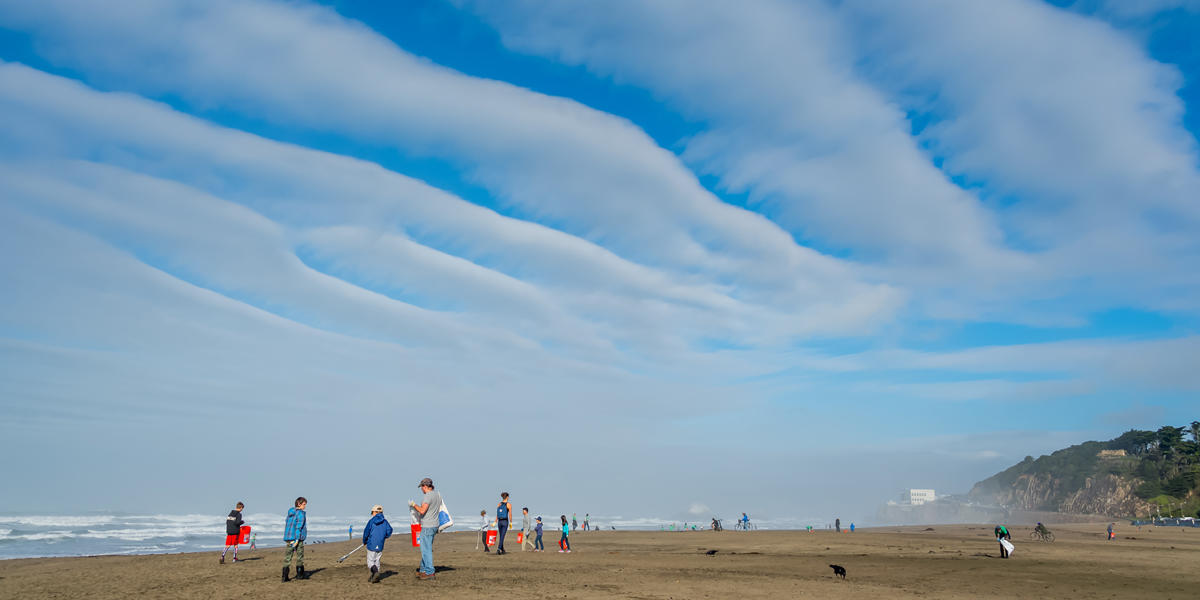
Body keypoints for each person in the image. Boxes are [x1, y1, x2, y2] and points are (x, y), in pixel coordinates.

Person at [409, 477, 443, 579]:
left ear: (425, 486)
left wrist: (414, 505)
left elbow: (422, 511)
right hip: (434, 525)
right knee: (426, 548)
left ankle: (429, 572)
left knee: (426, 550)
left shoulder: (427, 496)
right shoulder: (437, 495)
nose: (421, 489)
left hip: (427, 526)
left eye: (421, 487)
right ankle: (423, 570)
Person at [361, 504, 392, 583]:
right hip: (380, 543)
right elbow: (389, 530)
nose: (372, 514)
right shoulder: (385, 522)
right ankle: (375, 576)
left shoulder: (371, 521)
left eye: (372, 512)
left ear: (375, 512)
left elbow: (366, 532)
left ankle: (375, 573)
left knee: (370, 561)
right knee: (377, 560)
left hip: (372, 544)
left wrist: (364, 541)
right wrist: (383, 537)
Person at [282, 497, 308, 582]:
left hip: (289, 538)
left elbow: (288, 526)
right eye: (304, 504)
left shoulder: (290, 513)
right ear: (299, 504)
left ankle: (284, 577)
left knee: (288, 557)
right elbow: (298, 528)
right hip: (297, 538)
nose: (305, 506)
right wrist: (297, 539)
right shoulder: (301, 514)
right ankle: (300, 575)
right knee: (300, 556)